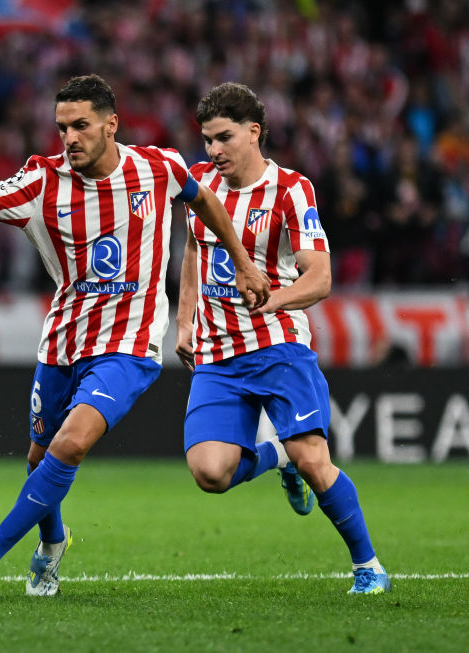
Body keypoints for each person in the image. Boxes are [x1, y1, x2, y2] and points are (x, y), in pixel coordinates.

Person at [0, 74, 270, 595]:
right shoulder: (41, 179)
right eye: (62, 127)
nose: (70, 138)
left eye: (81, 126)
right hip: (64, 341)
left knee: (70, 443)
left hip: (129, 345)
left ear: (111, 125)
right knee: (39, 459)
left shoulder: (159, 167)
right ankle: (53, 543)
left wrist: (242, 262)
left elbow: (205, 202)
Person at [175, 82, 389, 595]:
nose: (213, 150)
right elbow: (193, 249)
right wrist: (183, 322)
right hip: (218, 352)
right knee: (209, 472)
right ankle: (276, 455)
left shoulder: (292, 190)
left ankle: (369, 567)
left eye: (224, 138)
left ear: (254, 132)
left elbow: (321, 277)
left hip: (278, 344)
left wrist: (273, 300)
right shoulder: (199, 184)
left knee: (314, 460)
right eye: (207, 140)